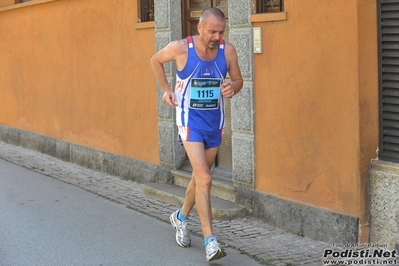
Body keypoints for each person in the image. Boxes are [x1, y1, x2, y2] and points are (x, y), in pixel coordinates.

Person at [150, 7, 243, 262]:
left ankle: (180, 217)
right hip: (190, 123)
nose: (216, 36)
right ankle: (210, 241)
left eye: (221, 31)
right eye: (212, 31)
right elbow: (155, 60)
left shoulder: (228, 51)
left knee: (200, 178)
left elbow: (239, 80)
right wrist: (167, 89)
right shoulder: (181, 48)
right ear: (200, 27)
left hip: (215, 123)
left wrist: (231, 87)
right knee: (205, 178)